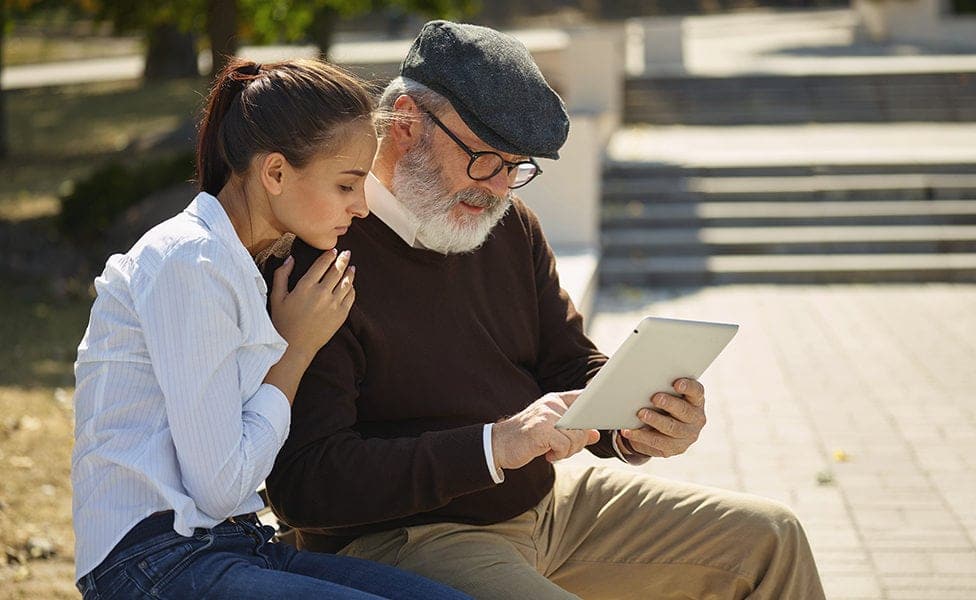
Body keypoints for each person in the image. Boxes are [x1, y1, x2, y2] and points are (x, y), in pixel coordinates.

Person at [263, 21, 827, 600]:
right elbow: (307, 485)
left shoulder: (508, 226)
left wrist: (639, 418)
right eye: (486, 158)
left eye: (519, 165)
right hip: (407, 534)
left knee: (770, 537)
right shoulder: (321, 259)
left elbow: (568, 367)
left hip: (545, 503)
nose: (503, 188)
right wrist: (493, 446)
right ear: (406, 123)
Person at [70, 58, 471, 600]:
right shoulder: (191, 262)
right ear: (276, 173)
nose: (361, 208)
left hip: (234, 544)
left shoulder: (248, 262)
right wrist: (295, 350)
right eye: (348, 184)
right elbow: (219, 486)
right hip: (151, 562)